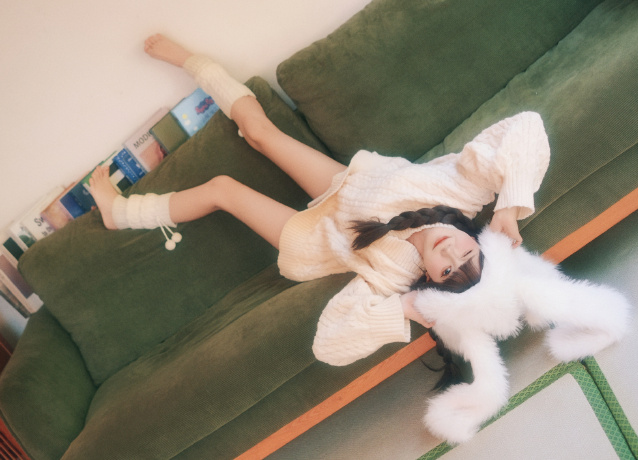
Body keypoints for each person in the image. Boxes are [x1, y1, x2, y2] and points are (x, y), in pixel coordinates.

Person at [88, 34, 550, 367]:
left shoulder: (394, 278)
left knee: (223, 189)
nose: (449, 253)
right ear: (479, 242)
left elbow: (328, 344)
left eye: (446, 271)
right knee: (259, 132)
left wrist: (407, 309)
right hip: (346, 186)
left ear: (430, 279)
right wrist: (509, 207)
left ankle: (120, 213)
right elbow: (526, 125)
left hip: (317, 238)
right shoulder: (463, 193)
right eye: (467, 254)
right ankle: (195, 62)